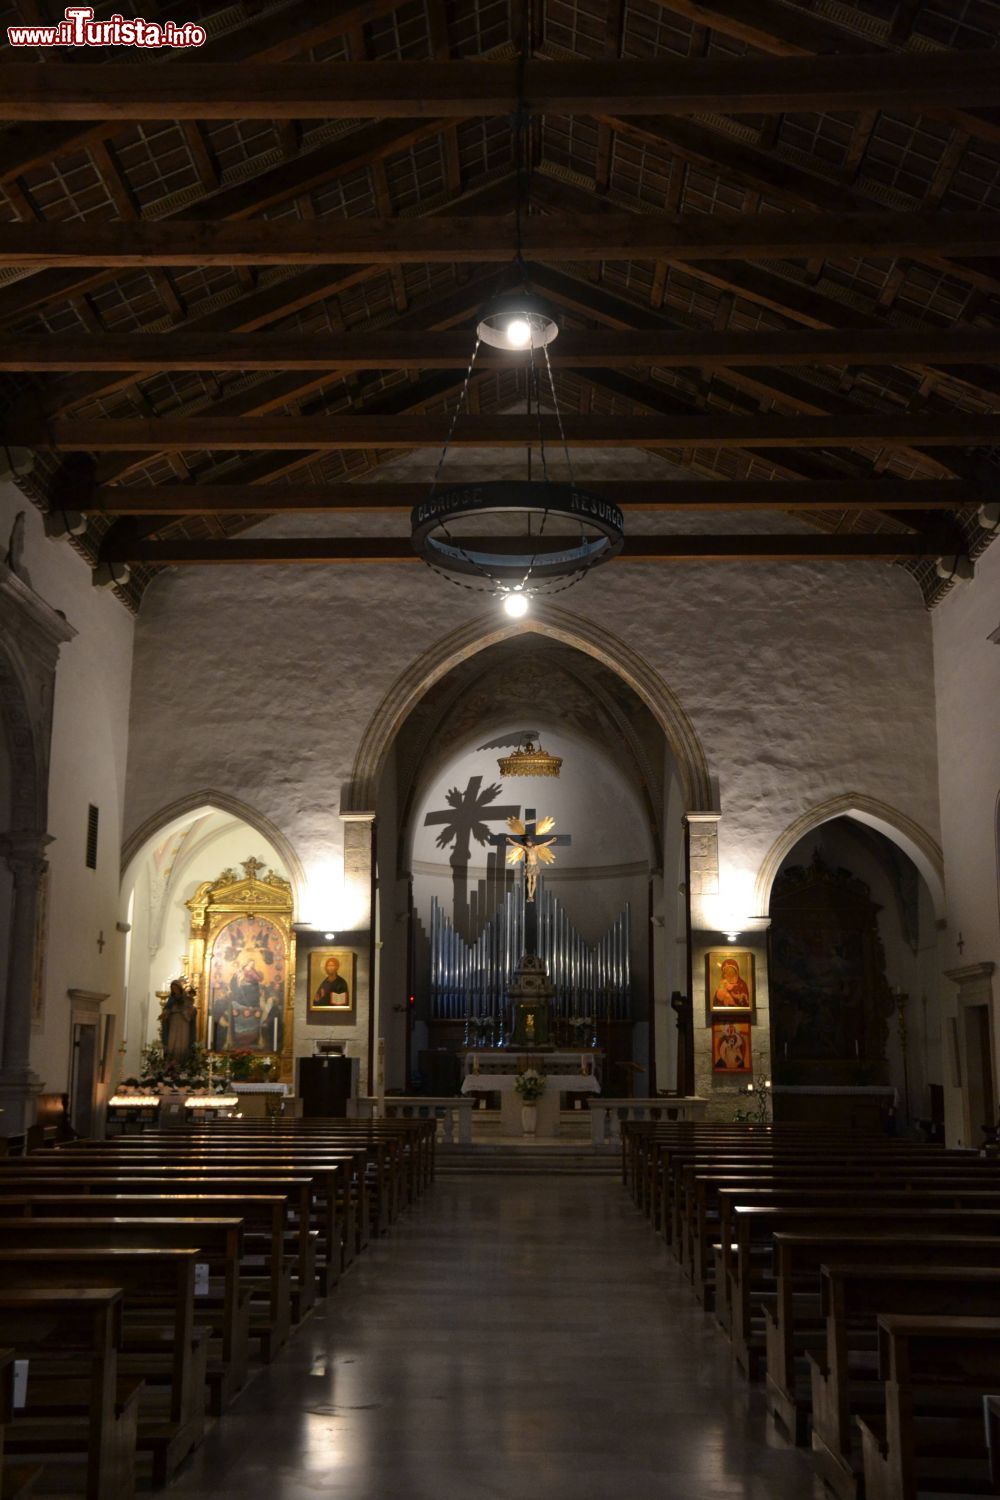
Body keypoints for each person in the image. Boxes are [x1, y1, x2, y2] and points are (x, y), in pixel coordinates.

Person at [161, 978, 197, 1065]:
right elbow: (167, 1011)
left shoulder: (186, 998)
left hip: (184, 1022)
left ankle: (182, 1062)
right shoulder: (171, 1000)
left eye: (176, 988)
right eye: (173, 989)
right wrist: (165, 1013)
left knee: (183, 1041)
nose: (175, 990)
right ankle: (171, 1061)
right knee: (172, 1041)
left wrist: (184, 1010)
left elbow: (192, 1011)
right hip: (173, 1022)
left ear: (179, 988)